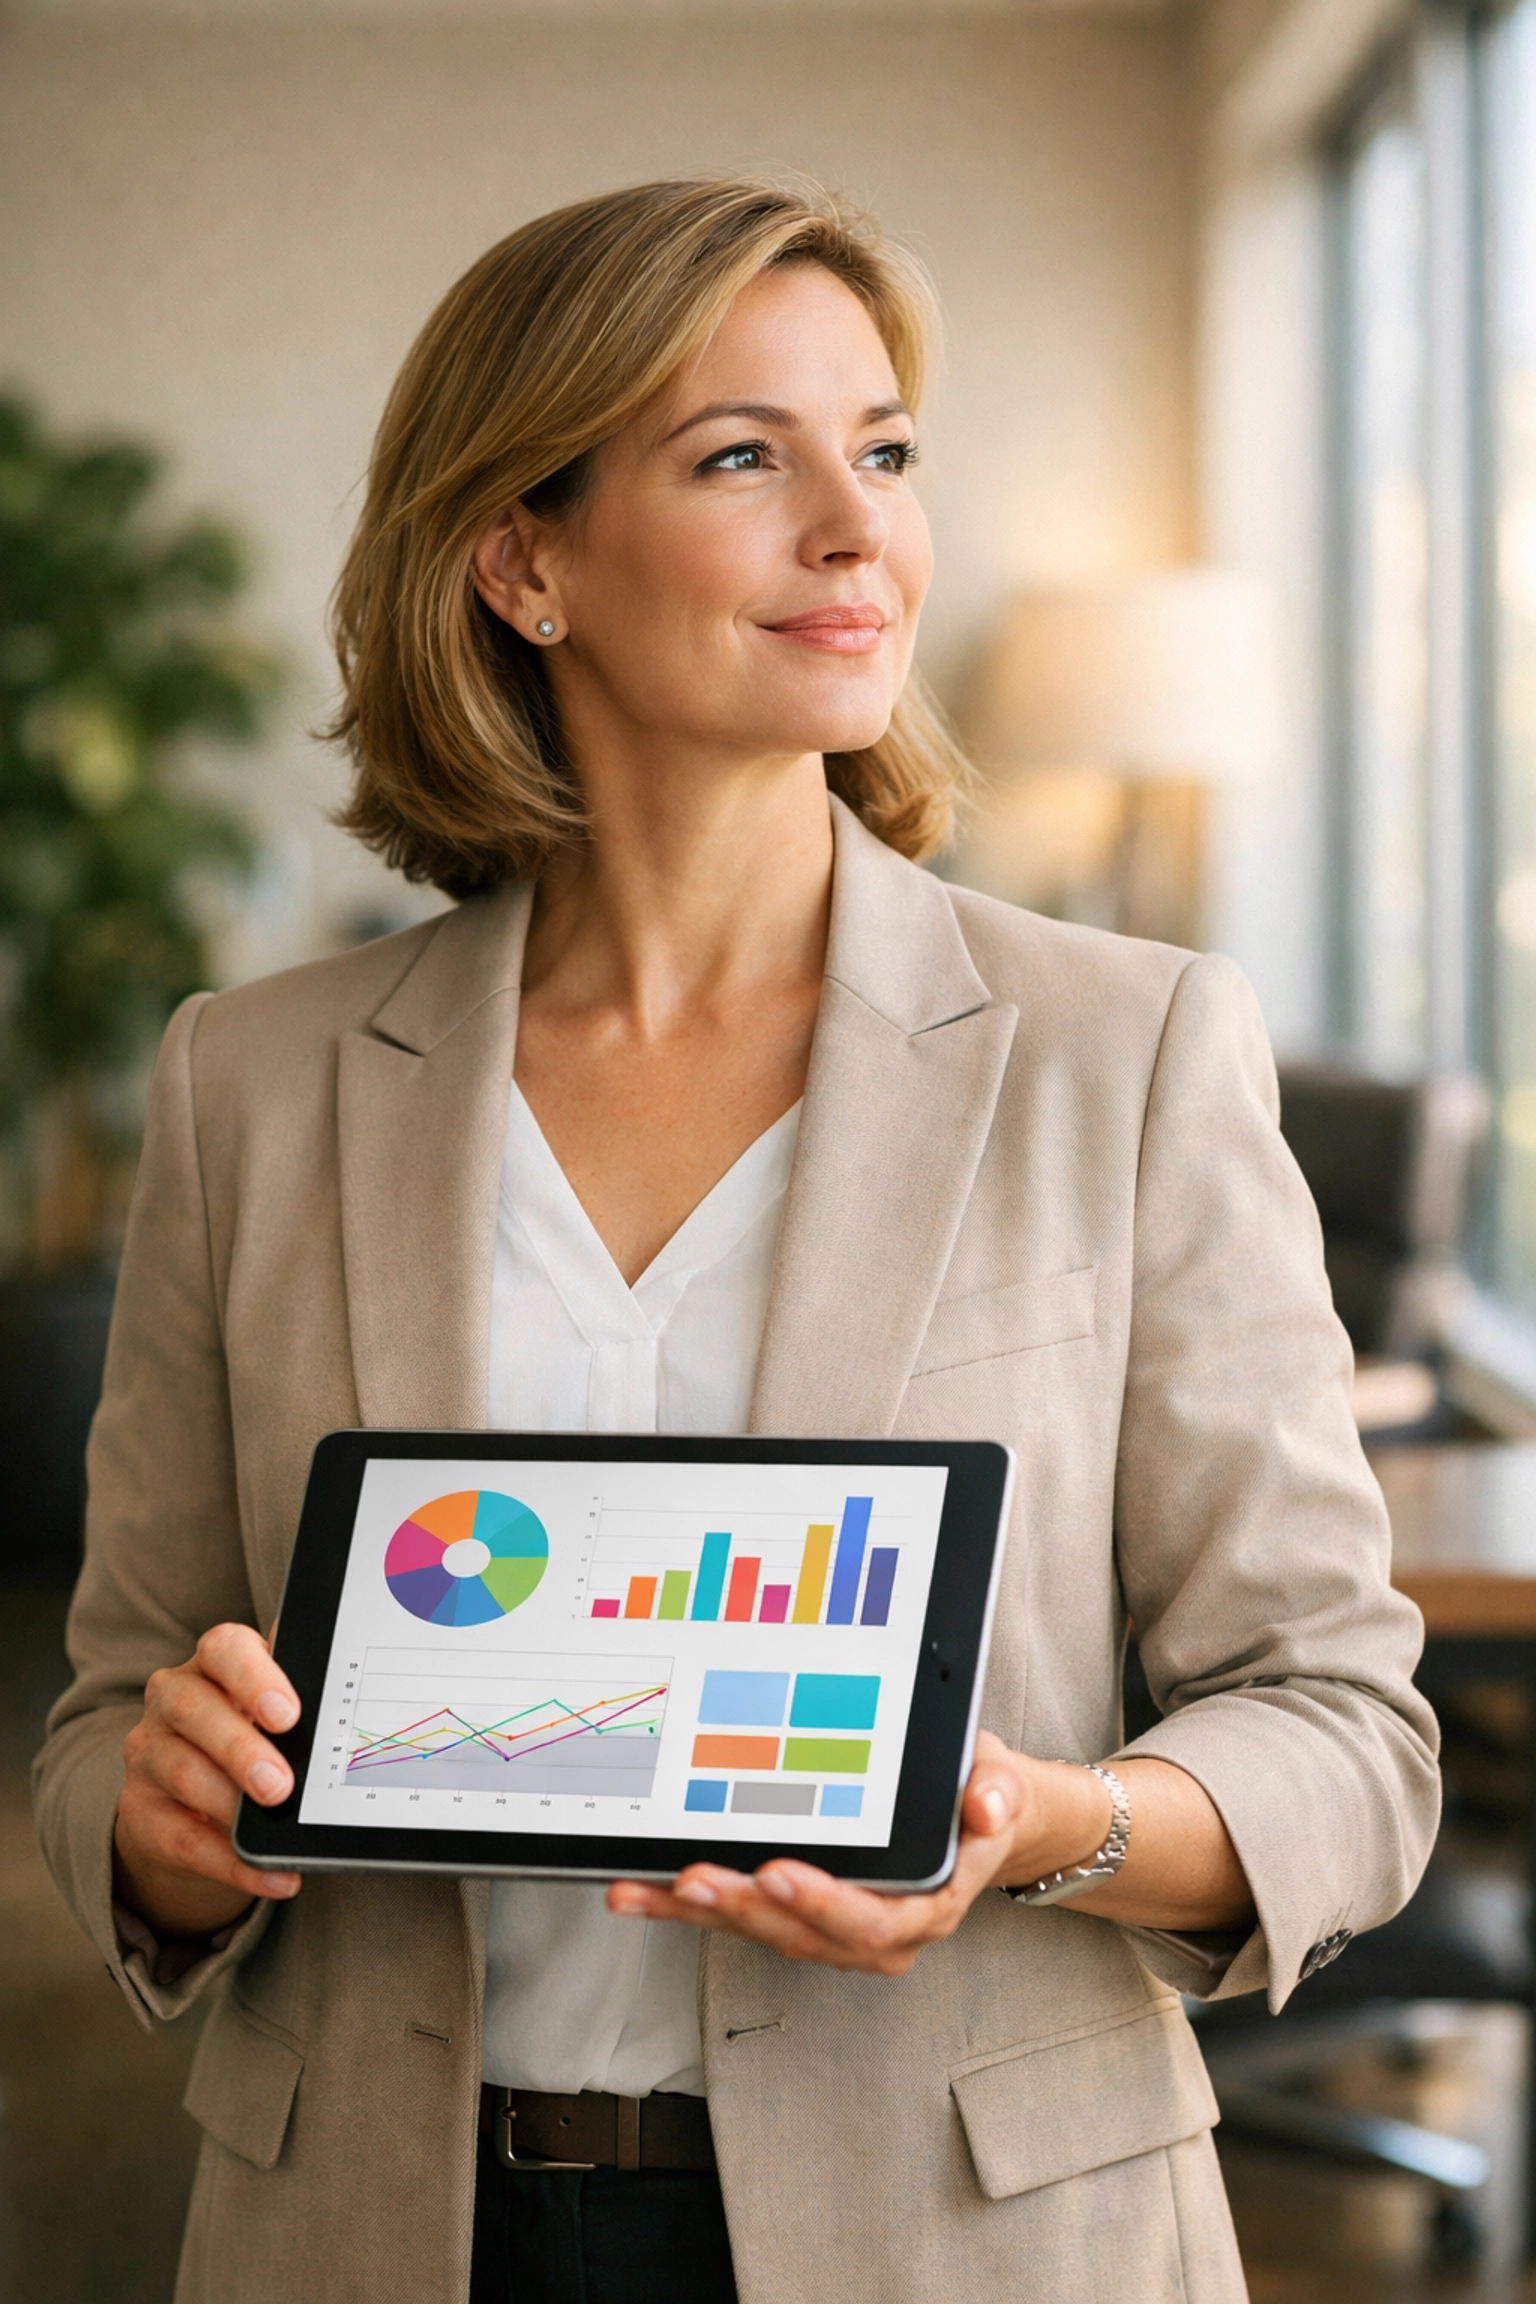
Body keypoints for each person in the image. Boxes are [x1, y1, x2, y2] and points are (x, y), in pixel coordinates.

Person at [35, 176, 1438, 2304]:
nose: (859, 528)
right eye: (739, 461)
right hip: (384, 2229)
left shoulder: (1122, 1052)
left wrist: (1043, 1821)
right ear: (522, 562)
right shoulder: (260, 1081)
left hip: (969, 2234)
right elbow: (109, 1710)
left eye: (881, 452)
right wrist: (162, 1827)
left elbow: (1345, 1729)